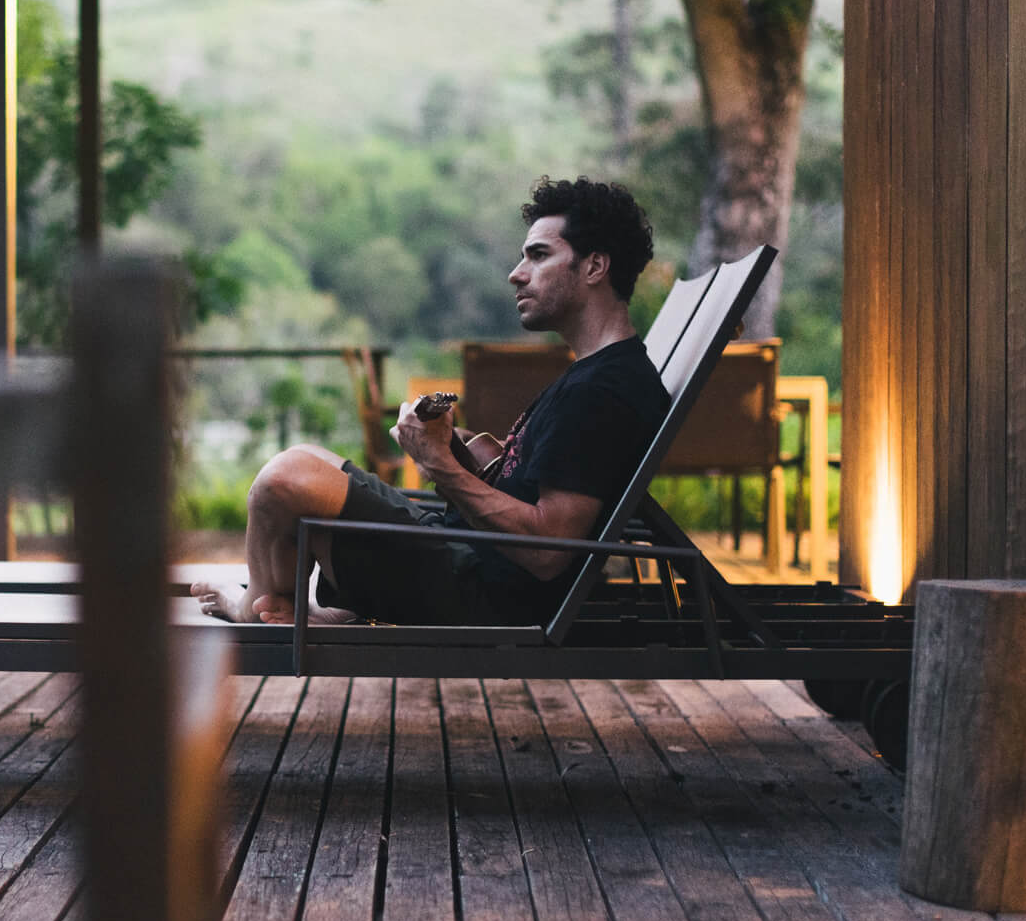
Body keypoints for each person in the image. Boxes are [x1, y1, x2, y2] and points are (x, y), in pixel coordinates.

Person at [192, 176, 672, 626]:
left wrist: (438, 464)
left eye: (538, 256)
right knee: (309, 462)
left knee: (282, 480)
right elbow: (531, 481)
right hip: (460, 545)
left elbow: (549, 552)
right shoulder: (598, 374)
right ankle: (280, 602)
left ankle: (252, 604)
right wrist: (457, 446)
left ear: (594, 266)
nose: (516, 274)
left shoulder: (602, 391)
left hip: (482, 586)